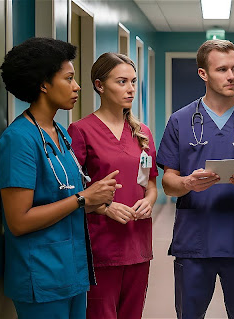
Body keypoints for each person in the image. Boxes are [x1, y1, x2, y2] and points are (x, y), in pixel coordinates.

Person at [0, 37, 120, 319]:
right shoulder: (19, 140)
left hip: (72, 271)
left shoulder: (60, 133)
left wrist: (98, 201)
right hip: (41, 275)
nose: (77, 86)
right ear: (43, 84)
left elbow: (64, 196)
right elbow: (19, 221)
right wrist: (82, 198)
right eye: (69, 78)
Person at [156, 39, 234, 319]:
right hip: (194, 240)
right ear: (203, 74)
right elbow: (168, 182)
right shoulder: (179, 120)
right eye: (222, 69)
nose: (232, 76)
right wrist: (188, 183)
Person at [67, 52, 158, 319]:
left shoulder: (142, 132)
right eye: (121, 82)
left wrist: (149, 201)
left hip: (139, 242)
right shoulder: (80, 131)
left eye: (133, 81)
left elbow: (150, 184)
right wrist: (105, 208)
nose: (130, 89)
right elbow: (73, 194)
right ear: (100, 85)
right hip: (101, 246)